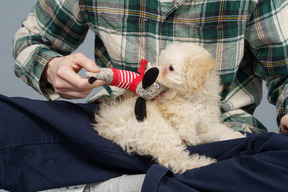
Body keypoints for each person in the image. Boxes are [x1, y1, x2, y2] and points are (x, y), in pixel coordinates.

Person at [1, 0, 288, 191]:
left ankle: (123, 185)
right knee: (7, 120)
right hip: (119, 126)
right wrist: (52, 67)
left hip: (220, 139)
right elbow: (31, 40)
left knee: (280, 160)